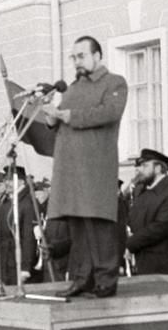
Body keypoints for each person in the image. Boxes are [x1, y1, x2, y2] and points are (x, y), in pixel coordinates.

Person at [43, 35, 128, 298]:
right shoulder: (70, 89)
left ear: (97, 56)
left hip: (95, 165)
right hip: (70, 167)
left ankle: (105, 279)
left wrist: (69, 116)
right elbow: (58, 122)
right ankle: (82, 278)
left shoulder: (114, 83)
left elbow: (109, 112)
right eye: (74, 57)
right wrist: (50, 116)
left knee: (99, 223)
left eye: (81, 56)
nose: (76, 61)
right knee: (77, 226)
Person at [126, 149, 168, 275]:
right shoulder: (143, 192)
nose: (140, 169)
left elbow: (161, 227)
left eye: (145, 165)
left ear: (158, 168)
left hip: (162, 262)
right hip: (141, 259)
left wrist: (129, 244)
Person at [0, 165, 37, 285]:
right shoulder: (7, 203)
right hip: (6, 261)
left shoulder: (27, 203)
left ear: (20, 181)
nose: (6, 183)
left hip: (18, 262)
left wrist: (25, 267)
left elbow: (29, 237)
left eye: (9, 180)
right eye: (5, 180)